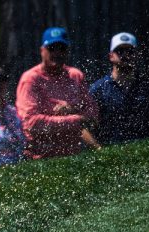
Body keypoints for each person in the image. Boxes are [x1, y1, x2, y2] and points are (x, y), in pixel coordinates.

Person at [16, 27, 98, 159]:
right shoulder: (31, 79)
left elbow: (92, 115)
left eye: (62, 48)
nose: (57, 53)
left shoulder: (75, 75)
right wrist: (75, 119)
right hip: (41, 159)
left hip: (75, 155)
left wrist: (71, 109)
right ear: (42, 50)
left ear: (68, 51)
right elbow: (30, 123)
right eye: (52, 48)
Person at [87, 33, 149, 145]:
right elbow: (85, 125)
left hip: (145, 151)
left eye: (130, 51)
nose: (125, 55)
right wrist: (99, 150)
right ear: (111, 56)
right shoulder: (99, 89)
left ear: (137, 55)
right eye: (120, 51)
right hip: (112, 153)